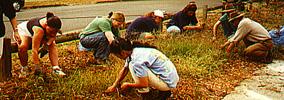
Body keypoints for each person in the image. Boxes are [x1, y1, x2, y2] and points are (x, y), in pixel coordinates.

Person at [105, 38, 179, 100]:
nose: (118, 58)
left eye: (117, 55)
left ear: (122, 52)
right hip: (171, 78)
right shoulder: (135, 51)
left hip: (167, 83)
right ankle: (163, 91)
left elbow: (143, 84)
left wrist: (127, 85)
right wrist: (114, 85)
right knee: (132, 66)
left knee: (132, 66)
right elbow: (125, 69)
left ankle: (147, 95)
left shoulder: (136, 61)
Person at [17, 12, 66, 78]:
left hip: (38, 33)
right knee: (23, 46)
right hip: (25, 31)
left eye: (55, 32)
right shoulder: (39, 30)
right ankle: (24, 68)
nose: (53, 34)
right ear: (46, 25)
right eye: (51, 32)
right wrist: (37, 67)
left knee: (53, 44)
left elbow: (53, 37)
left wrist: (46, 46)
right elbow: (34, 50)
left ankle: (56, 69)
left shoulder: (52, 25)